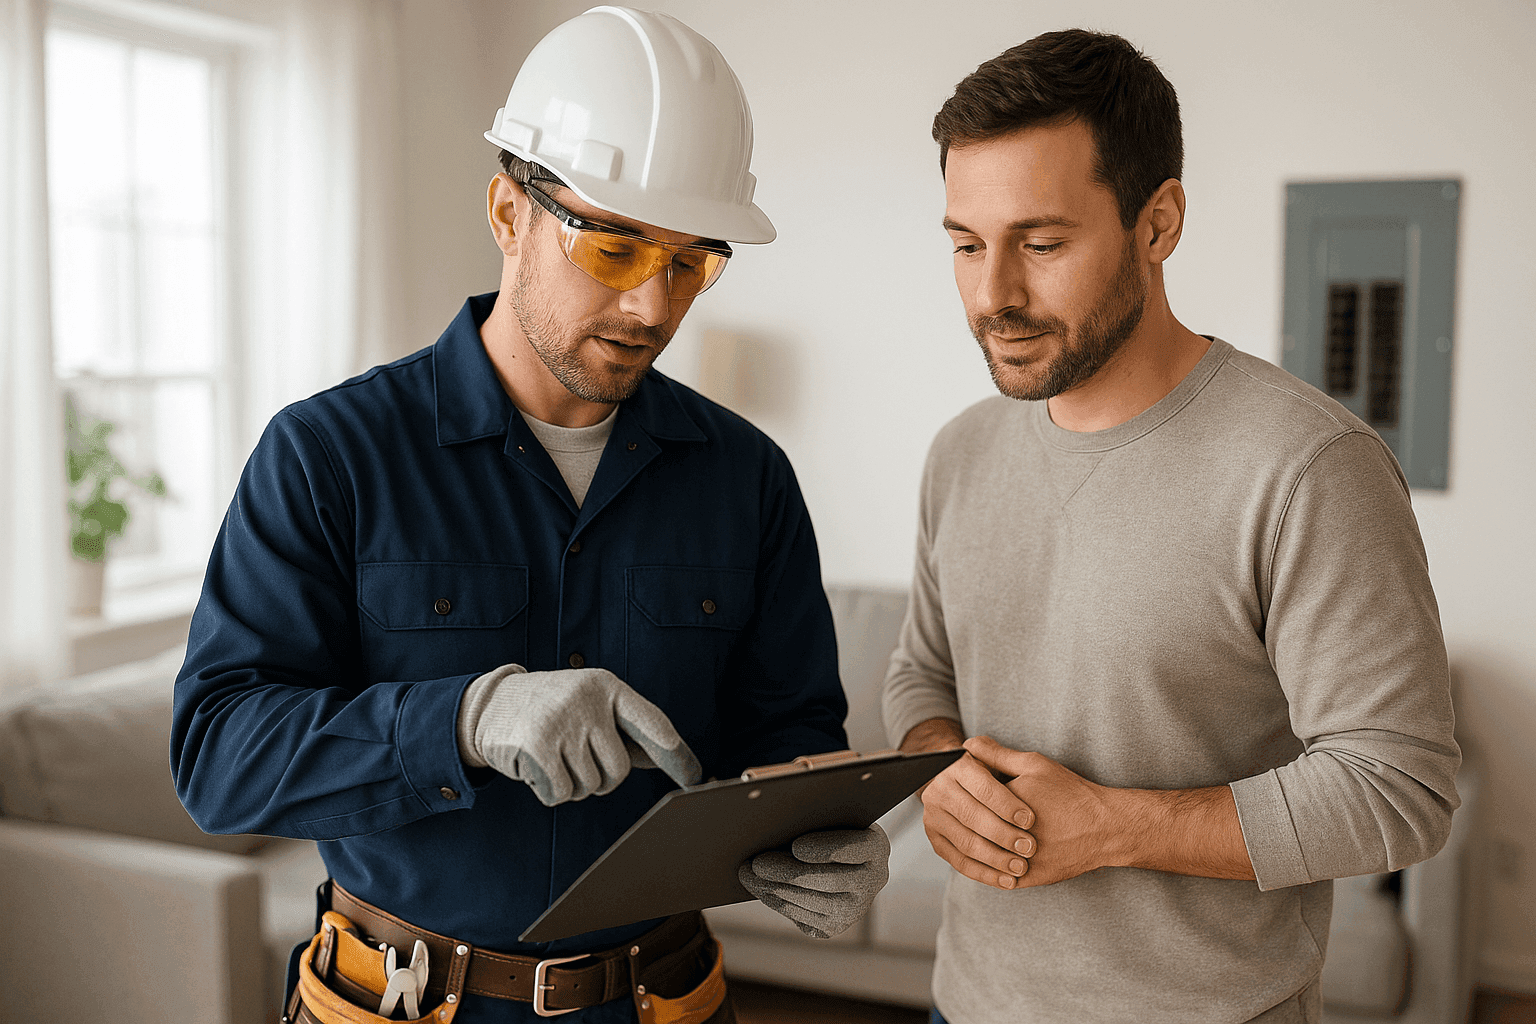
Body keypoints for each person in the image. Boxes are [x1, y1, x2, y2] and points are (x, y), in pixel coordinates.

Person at [172, 8, 888, 1024]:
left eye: (691, 262)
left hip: (667, 1002)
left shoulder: (749, 477)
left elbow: (792, 740)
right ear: (510, 214)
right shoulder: (329, 455)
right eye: (615, 249)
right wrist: (466, 718)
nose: (653, 306)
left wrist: (825, 844)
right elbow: (219, 759)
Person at [882, 28, 1459, 1024]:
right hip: (966, 1003)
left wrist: (1113, 826)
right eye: (967, 244)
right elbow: (921, 673)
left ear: (1158, 224)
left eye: (1042, 244)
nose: (992, 296)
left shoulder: (1309, 467)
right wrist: (938, 768)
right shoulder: (961, 452)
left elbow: (1399, 788)